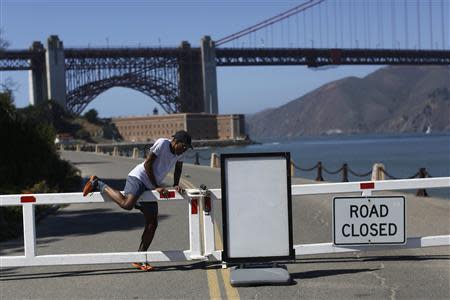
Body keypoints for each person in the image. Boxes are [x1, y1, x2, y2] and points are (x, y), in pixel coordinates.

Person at [82, 130, 193, 271]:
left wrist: (176, 184)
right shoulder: (162, 143)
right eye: (183, 146)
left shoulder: (180, 153)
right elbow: (147, 165)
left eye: (187, 148)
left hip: (151, 185)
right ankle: (97, 183)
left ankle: (140, 258)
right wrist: (157, 186)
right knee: (127, 204)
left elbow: (178, 168)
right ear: (175, 141)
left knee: (152, 222)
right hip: (139, 178)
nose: (184, 150)